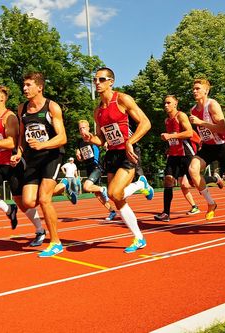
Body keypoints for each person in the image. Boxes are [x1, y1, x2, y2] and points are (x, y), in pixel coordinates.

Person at [81, 67, 151, 253]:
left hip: (128, 152)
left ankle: (139, 185)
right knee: (117, 198)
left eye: (101, 79)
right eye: (94, 80)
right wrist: (90, 139)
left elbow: (145, 123)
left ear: (111, 81)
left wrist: (131, 142)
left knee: (113, 192)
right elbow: (101, 139)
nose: (97, 83)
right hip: (112, 154)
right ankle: (139, 238)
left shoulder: (122, 99)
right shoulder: (98, 112)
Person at [0, 85, 46, 247]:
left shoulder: (10, 117)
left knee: (24, 203)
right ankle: (8, 210)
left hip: (14, 165)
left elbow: (12, 142)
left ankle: (40, 230)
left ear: (2, 98)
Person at [11, 72, 66, 257]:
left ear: (39, 87)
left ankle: (55, 242)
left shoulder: (52, 107)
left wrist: (43, 144)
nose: (24, 88)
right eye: (24, 85)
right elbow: (21, 136)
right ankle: (61, 186)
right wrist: (18, 153)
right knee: (28, 201)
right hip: (33, 158)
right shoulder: (22, 109)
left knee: (44, 199)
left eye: (28, 85)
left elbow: (62, 138)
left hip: (52, 156)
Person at [188, 79, 225, 220]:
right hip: (207, 147)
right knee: (193, 170)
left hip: (221, 146)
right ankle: (211, 203)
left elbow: (222, 128)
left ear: (206, 91)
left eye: (197, 88)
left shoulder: (212, 105)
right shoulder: (193, 110)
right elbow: (202, 131)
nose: (194, 91)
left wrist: (201, 122)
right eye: (193, 89)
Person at [154, 95, 200, 222]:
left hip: (186, 154)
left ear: (175, 103)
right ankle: (166, 213)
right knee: (168, 180)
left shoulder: (181, 116)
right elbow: (173, 138)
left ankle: (214, 178)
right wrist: (169, 146)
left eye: (168, 103)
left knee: (192, 182)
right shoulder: (166, 121)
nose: (166, 105)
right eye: (165, 103)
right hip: (173, 155)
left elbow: (189, 133)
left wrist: (169, 136)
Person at [74, 119, 117, 221]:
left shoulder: (93, 138)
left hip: (96, 167)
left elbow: (103, 142)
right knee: (97, 195)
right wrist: (78, 155)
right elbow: (79, 153)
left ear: (88, 128)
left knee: (86, 187)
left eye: (83, 128)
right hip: (88, 167)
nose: (82, 130)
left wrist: (106, 144)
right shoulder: (80, 142)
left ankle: (103, 189)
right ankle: (112, 211)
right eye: (80, 128)